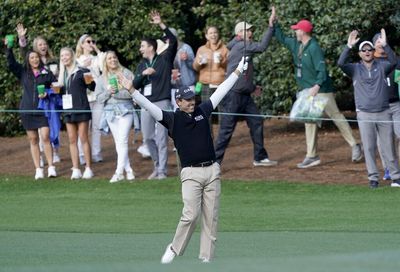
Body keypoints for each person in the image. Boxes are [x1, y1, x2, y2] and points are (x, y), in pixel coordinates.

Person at [119, 54, 247, 263]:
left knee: (211, 218)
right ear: (178, 102)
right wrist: (132, 90)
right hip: (191, 173)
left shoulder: (203, 110)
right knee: (190, 214)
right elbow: (148, 106)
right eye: (187, 99)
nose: (192, 102)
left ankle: (207, 257)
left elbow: (222, 90)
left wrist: (237, 72)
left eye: (192, 98)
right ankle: (175, 247)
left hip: (212, 171)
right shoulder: (171, 119)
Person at [272, 7, 362, 168]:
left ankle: (355, 145)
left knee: (336, 116)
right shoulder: (297, 45)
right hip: (308, 90)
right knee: (310, 120)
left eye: (297, 29)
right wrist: (274, 24)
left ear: (303, 32)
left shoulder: (314, 48)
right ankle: (312, 155)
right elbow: (282, 38)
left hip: (321, 90)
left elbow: (322, 70)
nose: (294, 32)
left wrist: (317, 85)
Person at [214, 9, 278, 167]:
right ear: (240, 33)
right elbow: (263, 46)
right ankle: (213, 163)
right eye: (248, 30)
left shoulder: (240, 45)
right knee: (225, 131)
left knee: (256, 121)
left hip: (244, 94)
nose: (251, 32)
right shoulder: (242, 45)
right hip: (233, 96)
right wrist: (271, 26)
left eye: (250, 30)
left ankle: (260, 157)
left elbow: (243, 71)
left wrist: (251, 87)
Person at [338, 29, 400, 188]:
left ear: (373, 52)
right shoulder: (354, 69)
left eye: (369, 49)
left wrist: (385, 46)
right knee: (370, 147)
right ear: (360, 54)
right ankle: (373, 178)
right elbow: (340, 63)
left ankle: (395, 177)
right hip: (364, 113)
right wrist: (348, 46)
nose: (367, 52)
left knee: (389, 146)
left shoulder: (382, 66)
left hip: (384, 112)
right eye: (363, 50)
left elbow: (394, 62)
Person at [132, 10, 177, 179]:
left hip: (162, 102)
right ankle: (157, 167)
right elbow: (134, 85)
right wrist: (143, 74)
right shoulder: (142, 64)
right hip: (146, 104)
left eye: (142, 46)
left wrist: (160, 24)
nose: (140, 49)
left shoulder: (165, 59)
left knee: (161, 137)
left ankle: (162, 171)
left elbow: (172, 40)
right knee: (148, 138)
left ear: (150, 47)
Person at [5, 39, 57, 180]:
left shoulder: (46, 72)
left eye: (36, 57)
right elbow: (11, 63)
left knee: (45, 137)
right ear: (28, 60)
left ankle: (51, 167)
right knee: (33, 139)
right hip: (27, 110)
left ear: (40, 59)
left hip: (42, 110)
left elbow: (56, 87)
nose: (34, 59)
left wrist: (48, 93)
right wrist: (9, 48)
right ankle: (38, 169)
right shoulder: (23, 72)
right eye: (32, 58)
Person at [16, 23, 62, 165]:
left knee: (49, 131)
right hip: (32, 105)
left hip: (48, 102)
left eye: (45, 44)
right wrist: (22, 39)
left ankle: (54, 154)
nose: (43, 46)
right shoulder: (29, 64)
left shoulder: (52, 61)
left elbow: (57, 84)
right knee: (36, 138)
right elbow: (24, 55)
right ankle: (40, 158)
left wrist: (53, 88)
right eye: (40, 44)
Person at [96, 51, 135, 183]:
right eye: (109, 58)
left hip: (126, 110)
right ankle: (128, 170)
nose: (112, 60)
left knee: (123, 140)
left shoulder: (127, 73)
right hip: (110, 113)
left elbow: (132, 93)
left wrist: (116, 93)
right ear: (105, 62)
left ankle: (118, 172)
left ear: (117, 59)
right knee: (118, 142)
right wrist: (108, 92)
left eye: (114, 57)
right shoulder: (102, 78)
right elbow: (99, 98)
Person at [58, 47, 95, 180]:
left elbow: (92, 87)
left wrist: (89, 77)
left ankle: (88, 168)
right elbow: (60, 92)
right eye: (62, 56)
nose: (64, 58)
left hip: (82, 108)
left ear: (72, 56)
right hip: (68, 110)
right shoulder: (62, 74)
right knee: (72, 140)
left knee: (84, 138)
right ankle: (76, 169)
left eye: (66, 55)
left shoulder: (82, 70)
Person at [372, 32, 400, 181]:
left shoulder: (394, 59)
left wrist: (386, 45)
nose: (380, 43)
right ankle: (388, 168)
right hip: (380, 107)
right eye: (377, 41)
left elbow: (395, 62)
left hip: (396, 105)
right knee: (383, 140)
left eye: (382, 41)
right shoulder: (370, 62)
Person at [75, 34, 105, 164]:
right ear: (81, 44)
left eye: (93, 41)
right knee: (83, 128)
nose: (91, 43)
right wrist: (83, 66)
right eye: (88, 41)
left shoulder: (96, 58)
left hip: (97, 95)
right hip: (84, 97)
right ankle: (82, 154)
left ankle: (96, 152)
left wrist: (97, 50)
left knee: (97, 126)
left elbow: (105, 67)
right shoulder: (77, 59)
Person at [193, 26, 229, 132]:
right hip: (205, 84)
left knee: (222, 112)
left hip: (220, 84)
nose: (213, 35)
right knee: (206, 112)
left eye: (215, 32)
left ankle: (223, 138)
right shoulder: (201, 49)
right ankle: (208, 137)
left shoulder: (224, 49)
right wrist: (199, 63)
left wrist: (222, 61)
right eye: (210, 33)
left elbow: (230, 66)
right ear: (206, 36)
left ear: (218, 34)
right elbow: (195, 67)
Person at [168, 28, 196, 111]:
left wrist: (187, 59)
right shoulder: (165, 50)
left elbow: (194, 66)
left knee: (190, 109)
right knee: (176, 110)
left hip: (188, 85)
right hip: (173, 86)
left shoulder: (186, 48)